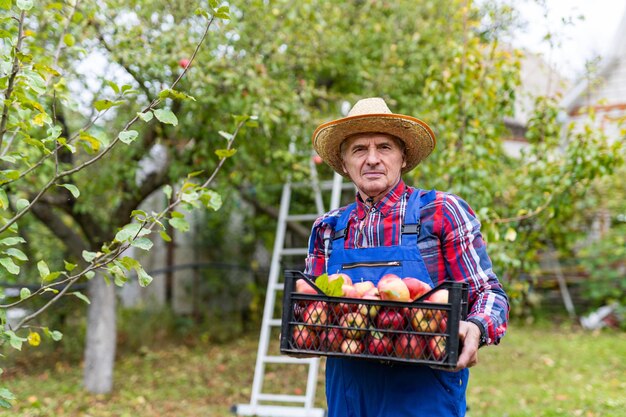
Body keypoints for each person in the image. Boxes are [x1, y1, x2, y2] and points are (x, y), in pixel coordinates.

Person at [304, 97, 509, 417]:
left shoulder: (440, 213)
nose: (372, 159)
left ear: (403, 157)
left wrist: (477, 327)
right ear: (345, 163)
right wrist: (305, 329)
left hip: (422, 395)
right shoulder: (328, 228)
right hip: (348, 396)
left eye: (384, 147)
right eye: (359, 149)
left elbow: (489, 293)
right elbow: (312, 310)